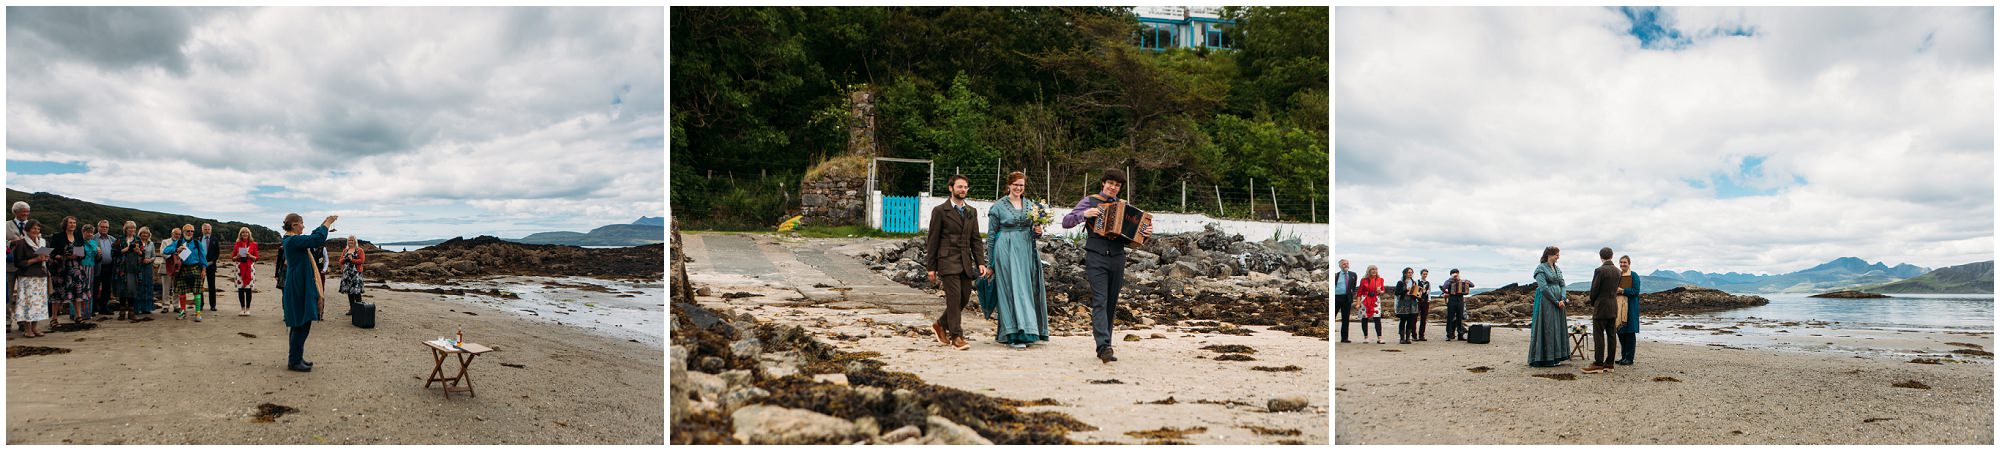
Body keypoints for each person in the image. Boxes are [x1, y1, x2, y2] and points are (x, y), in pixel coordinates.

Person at [1061, 169, 1151, 363]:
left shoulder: (1124, 206)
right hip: (1096, 256)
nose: (1113, 187)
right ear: (1103, 183)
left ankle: (1106, 344)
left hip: (1117, 257)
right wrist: (1084, 214)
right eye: (1110, 183)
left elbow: (1135, 238)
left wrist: (1145, 231)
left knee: (1111, 302)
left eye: (1117, 185)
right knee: (1100, 300)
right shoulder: (1090, 201)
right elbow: (1066, 222)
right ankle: (1103, 346)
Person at [979, 172, 1050, 349]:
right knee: (1010, 289)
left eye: (1022, 185)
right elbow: (991, 236)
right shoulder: (998, 207)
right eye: (1016, 185)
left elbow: (1034, 232)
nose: (1019, 188)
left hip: (1026, 250)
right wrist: (990, 263)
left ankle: (1031, 331)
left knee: (1027, 288)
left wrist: (1038, 231)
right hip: (1006, 250)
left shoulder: (1031, 206)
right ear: (1009, 185)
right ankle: (1013, 334)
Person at [924, 175, 987, 352]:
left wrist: (980, 262)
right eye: (959, 187)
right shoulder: (939, 211)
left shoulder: (971, 211)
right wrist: (931, 267)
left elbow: (975, 239)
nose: (963, 190)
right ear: (951, 188)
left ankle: (940, 324)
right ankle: (957, 336)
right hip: (946, 260)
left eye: (965, 187)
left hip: (965, 262)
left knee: (964, 297)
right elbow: (932, 240)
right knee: (953, 298)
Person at [280, 213, 337, 372]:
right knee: (301, 322)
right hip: (299, 285)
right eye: (301, 223)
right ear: (294, 225)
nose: (303, 226)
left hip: (299, 282)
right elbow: (316, 240)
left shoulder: (291, 239)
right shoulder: (292, 240)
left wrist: (322, 225)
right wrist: (327, 222)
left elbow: (312, 236)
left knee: (301, 323)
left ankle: (296, 358)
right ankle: (294, 361)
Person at [1528, 246, 1571, 367]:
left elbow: (1563, 284)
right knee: (1548, 327)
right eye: (1556, 254)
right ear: (1549, 255)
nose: (1558, 257)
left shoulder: (1557, 268)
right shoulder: (1540, 269)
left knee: (1558, 327)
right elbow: (1544, 288)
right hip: (1547, 302)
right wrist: (1555, 301)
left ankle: (1557, 356)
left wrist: (1562, 298)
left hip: (1559, 302)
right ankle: (1545, 358)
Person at [1583, 247, 1622, 374]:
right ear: (1612, 256)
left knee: (1599, 335)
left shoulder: (1599, 270)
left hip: (1601, 306)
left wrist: (1593, 302)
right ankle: (1610, 363)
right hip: (1613, 305)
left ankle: (1598, 363)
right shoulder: (1618, 271)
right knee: (1611, 335)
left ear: (1601, 257)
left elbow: (1594, 289)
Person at [11, 220, 51, 337]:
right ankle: (27, 329)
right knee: (27, 303)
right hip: (27, 277)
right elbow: (18, 262)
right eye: (33, 228)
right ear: (27, 229)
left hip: (41, 275)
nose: (36, 231)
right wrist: (35, 260)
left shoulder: (43, 242)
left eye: (38, 229)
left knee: (38, 303)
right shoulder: (21, 243)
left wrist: (46, 258)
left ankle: (35, 328)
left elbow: (48, 258)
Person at [49, 217, 91, 325]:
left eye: (74, 223)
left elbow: (83, 252)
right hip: (62, 269)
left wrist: (79, 255)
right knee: (58, 293)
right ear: (65, 224)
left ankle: (78, 316)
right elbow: (52, 253)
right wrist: (63, 256)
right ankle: (54, 318)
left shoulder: (78, 236)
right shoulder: (58, 236)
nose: (73, 225)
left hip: (76, 268)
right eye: (70, 223)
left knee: (78, 292)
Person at [117, 223, 153, 319]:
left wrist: (139, 252)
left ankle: (131, 312)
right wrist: (127, 249)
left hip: (134, 268)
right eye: (130, 228)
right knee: (122, 290)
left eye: (133, 228)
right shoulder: (120, 239)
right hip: (122, 268)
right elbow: (114, 252)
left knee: (132, 290)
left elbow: (143, 254)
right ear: (125, 229)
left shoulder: (138, 240)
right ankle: (122, 313)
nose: (132, 229)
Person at [1614, 255, 1641, 366]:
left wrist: (1623, 290)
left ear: (1629, 263)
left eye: (1625, 262)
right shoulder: (1618, 275)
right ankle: (1624, 356)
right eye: (1621, 262)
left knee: (1629, 333)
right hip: (1618, 307)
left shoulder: (1634, 275)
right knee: (1621, 331)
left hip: (1630, 307)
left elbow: (1636, 291)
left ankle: (1629, 358)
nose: (1622, 264)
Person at [1441, 269, 1476, 341]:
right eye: (1454, 274)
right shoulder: (1449, 281)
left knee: (1459, 318)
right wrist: (1451, 279)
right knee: (1450, 318)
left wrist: (1467, 281)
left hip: (1460, 300)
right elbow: (1444, 287)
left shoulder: (1462, 281)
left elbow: (1472, 285)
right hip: (1452, 300)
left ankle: (1460, 335)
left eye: (1457, 274)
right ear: (1451, 275)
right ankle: (1449, 335)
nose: (1456, 275)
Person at [92, 220, 117, 318]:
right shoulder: (93, 238)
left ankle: (103, 308)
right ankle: (93, 308)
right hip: (97, 266)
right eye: (102, 227)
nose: (104, 228)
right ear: (98, 227)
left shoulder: (112, 239)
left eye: (106, 227)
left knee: (107, 288)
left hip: (109, 266)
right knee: (95, 288)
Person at [338, 236, 367, 315]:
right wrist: (345, 259)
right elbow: (340, 261)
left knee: (357, 292)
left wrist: (352, 259)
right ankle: (352, 309)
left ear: (355, 241)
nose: (350, 241)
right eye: (349, 240)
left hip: (356, 273)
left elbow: (361, 261)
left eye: (352, 240)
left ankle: (360, 310)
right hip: (347, 273)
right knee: (349, 292)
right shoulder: (345, 250)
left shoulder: (359, 250)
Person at [1357, 266, 1385, 344]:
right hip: (1365, 300)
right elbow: (1359, 292)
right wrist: (1358, 303)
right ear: (1369, 271)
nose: (1374, 271)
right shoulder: (1363, 280)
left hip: (1376, 300)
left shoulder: (1380, 279)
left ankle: (1380, 337)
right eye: (1372, 269)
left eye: (1376, 269)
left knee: (1377, 318)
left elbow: (1383, 291)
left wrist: (1380, 291)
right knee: (1364, 318)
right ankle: (1366, 337)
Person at [233, 228, 259, 316]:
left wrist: (250, 255)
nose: (245, 234)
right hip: (239, 268)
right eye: (243, 232)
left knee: (248, 289)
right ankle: (242, 308)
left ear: (249, 234)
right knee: (240, 289)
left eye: (246, 232)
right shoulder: (237, 244)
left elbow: (257, 258)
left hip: (249, 268)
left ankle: (248, 309)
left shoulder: (253, 244)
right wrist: (238, 256)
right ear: (240, 234)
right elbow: (233, 258)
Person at [1393, 268, 1419, 344]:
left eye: (1411, 272)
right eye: (1409, 272)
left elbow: (1416, 293)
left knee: (1410, 320)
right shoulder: (1400, 282)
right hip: (1403, 303)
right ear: (1405, 273)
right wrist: (1406, 291)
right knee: (1403, 320)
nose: (1410, 274)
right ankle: (1402, 338)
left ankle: (1408, 337)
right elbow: (1397, 293)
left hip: (1412, 303)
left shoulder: (1414, 282)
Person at [1334, 259, 1357, 343]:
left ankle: (1344, 338)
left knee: (1345, 318)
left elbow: (1353, 287)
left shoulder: (1353, 275)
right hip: (1336, 297)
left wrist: (1352, 295)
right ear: (1340, 266)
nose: (1346, 265)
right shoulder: (1336, 275)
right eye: (1344, 264)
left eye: (1347, 263)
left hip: (1347, 298)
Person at [201, 223, 220, 312]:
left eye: (208, 229)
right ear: (202, 230)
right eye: (205, 229)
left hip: (211, 266)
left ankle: (213, 305)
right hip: (200, 266)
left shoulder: (215, 240)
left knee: (212, 286)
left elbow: (217, 253)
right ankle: (200, 305)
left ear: (211, 230)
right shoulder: (198, 240)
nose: (207, 231)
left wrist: (211, 262)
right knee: (199, 286)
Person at [1416, 269, 1434, 341]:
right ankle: (1414, 335)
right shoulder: (1417, 282)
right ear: (1421, 274)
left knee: (1424, 319)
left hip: (1425, 302)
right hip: (1418, 301)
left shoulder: (1428, 283)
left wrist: (1428, 300)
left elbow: (1429, 292)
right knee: (1414, 318)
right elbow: (1415, 291)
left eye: (1426, 274)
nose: (1425, 275)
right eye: (1424, 274)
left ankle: (1421, 335)